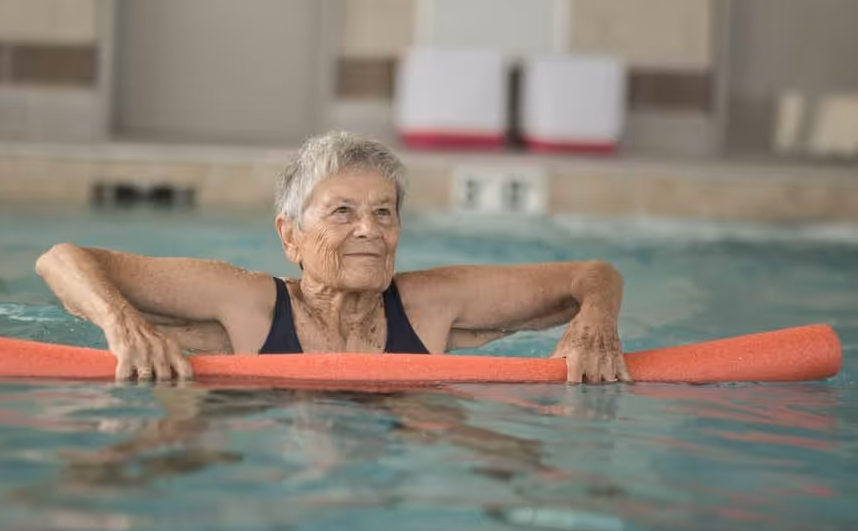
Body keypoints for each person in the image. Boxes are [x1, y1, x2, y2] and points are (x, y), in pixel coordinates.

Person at [36, 131, 632, 384]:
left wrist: (594, 325)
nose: (369, 230)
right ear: (289, 237)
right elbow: (64, 259)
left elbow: (591, 274)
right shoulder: (246, 305)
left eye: (383, 213)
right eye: (342, 213)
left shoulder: (428, 306)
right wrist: (125, 327)